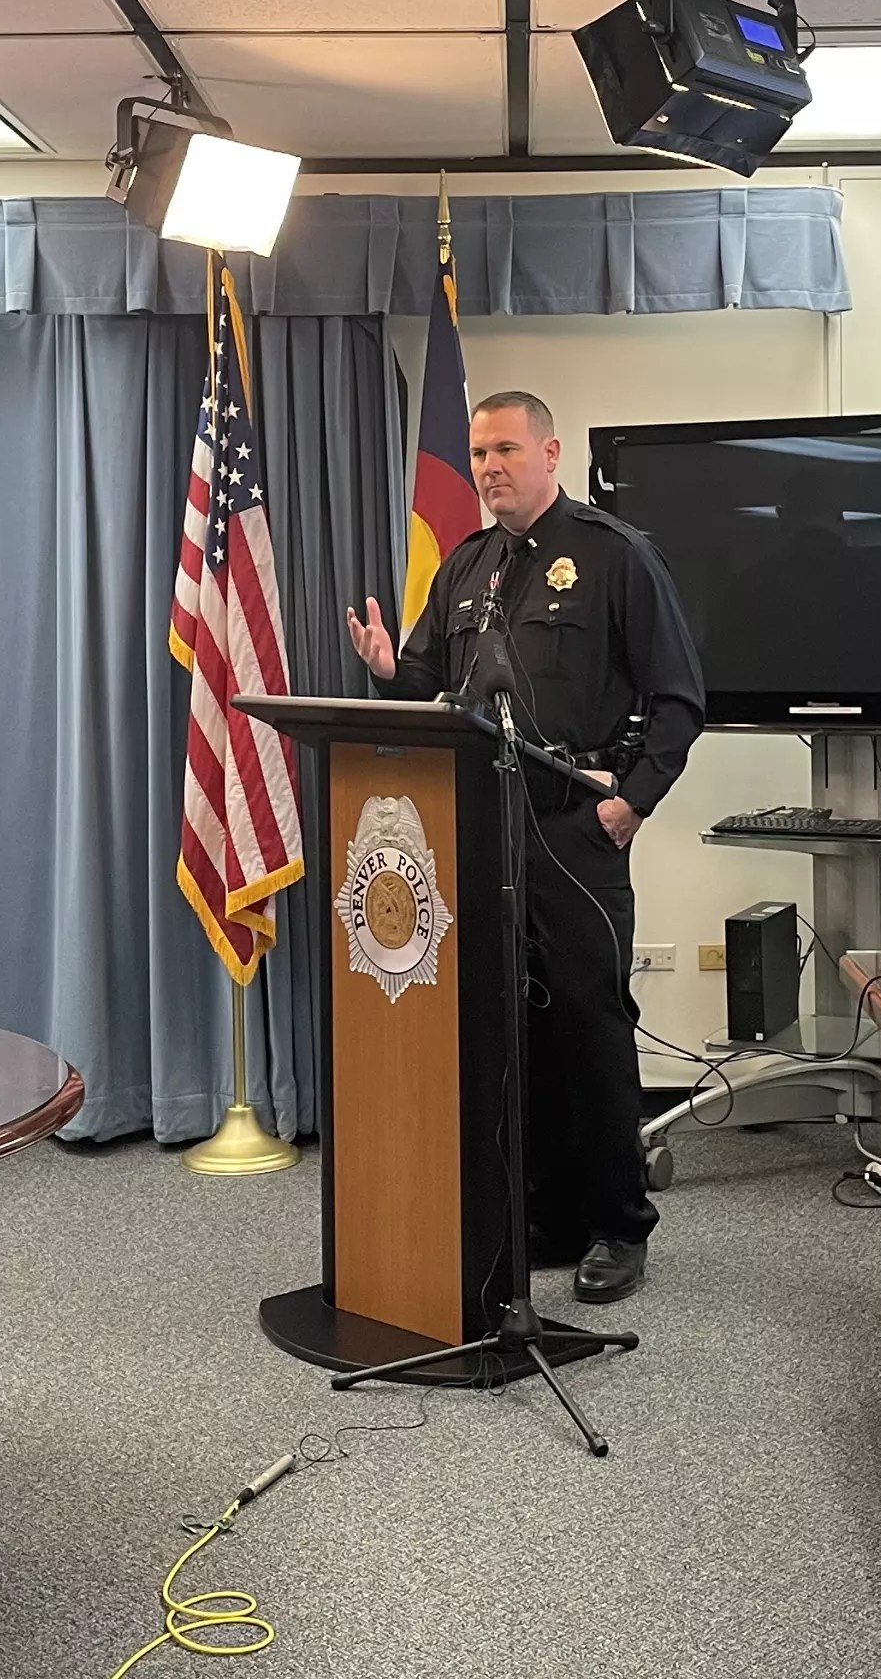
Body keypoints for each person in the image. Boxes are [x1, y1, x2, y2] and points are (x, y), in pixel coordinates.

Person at [346, 390, 703, 1305]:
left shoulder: (616, 555)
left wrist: (630, 804)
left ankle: (619, 1225)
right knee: (515, 1024)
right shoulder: (467, 564)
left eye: (505, 449)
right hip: (482, 827)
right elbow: (433, 685)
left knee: (588, 1022)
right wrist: (388, 670)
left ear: (550, 453)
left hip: (574, 826)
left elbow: (679, 697)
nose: (489, 467)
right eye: (478, 454)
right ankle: (550, 1211)